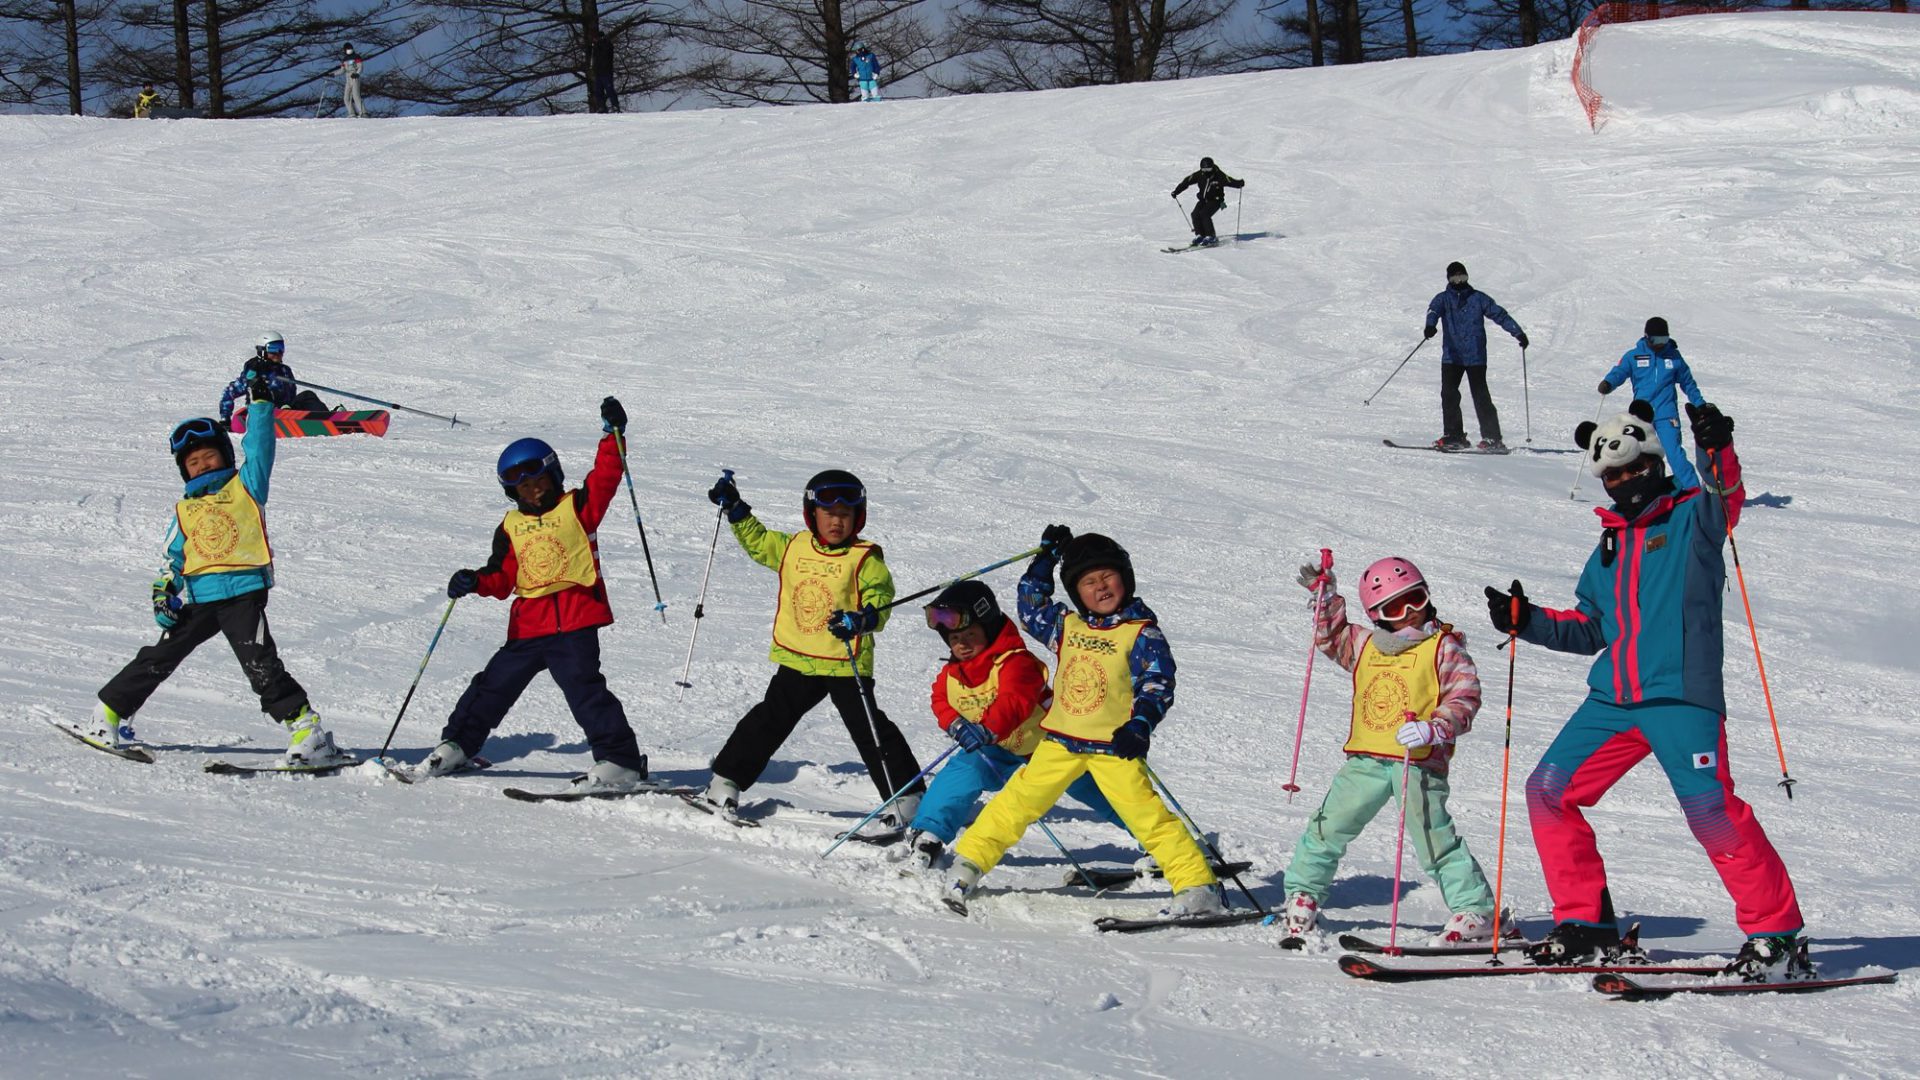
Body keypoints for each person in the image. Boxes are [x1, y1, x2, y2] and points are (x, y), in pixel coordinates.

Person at [1487, 399, 1810, 981]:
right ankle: (1585, 924)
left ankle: (1777, 937)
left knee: (1713, 812)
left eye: (1633, 469)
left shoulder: (1694, 519)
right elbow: (1591, 629)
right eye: (1612, 474)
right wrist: (1525, 619)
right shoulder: (1608, 546)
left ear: (1655, 464)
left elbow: (1725, 489)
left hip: (1681, 697)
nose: (1622, 481)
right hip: (1613, 700)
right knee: (1548, 791)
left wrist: (1716, 446)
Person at [944, 529, 1223, 917]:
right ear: (1077, 593)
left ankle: (1196, 884)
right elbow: (1030, 607)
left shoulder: (1140, 632)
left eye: (1108, 576)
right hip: (1059, 743)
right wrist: (1044, 563)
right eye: (1089, 582)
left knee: (1147, 817)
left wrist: (1140, 723)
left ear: (1125, 578)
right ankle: (969, 863)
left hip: (1113, 747)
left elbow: (1157, 683)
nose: (1101, 586)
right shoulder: (1068, 626)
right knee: (1015, 804)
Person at [85, 383, 341, 765]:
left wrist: (259, 404)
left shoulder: (246, 487)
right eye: (194, 462)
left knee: (259, 664)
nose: (203, 465)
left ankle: (307, 729)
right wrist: (164, 594)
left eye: (209, 457)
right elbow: (172, 559)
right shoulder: (184, 509)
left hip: (242, 594)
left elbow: (259, 448)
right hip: (201, 596)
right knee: (160, 655)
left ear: (224, 456)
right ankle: (108, 713)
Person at [422, 399, 649, 788]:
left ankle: (620, 761)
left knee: (585, 691)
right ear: (513, 493)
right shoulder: (510, 526)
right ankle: (459, 743)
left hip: (575, 622)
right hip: (529, 627)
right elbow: (502, 578)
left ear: (554, 473)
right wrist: (474, 580)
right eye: (523, 487)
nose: (535, 491)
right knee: (492, 686)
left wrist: (612, 436)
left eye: (539, 480)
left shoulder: (579, 507)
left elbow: (606, 477)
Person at [1277, 556, 1497, 947]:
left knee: (1433, 838)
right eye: (1396, 607)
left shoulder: (1444, 648)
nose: (1411, 613)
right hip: (1365, 759)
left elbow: (1466, 695)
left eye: (1417, 599)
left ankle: (1475, 909)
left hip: (1419, 763)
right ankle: (1303, 893)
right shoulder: (1364, 644)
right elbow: (1330, 638)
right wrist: (1324, 597)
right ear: (1378, 614)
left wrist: (1436, 726)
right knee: (1328, 826)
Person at [700, 469, 925, 822]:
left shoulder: (865, 558)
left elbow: (880, 597)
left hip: (843, 661)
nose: (837, 522)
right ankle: (726, 780)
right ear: (812, 514)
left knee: (869, 729)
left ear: (857, 518)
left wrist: (863, 618)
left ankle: (907, 798)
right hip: (800, 659)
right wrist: (737, 510)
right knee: (769, 719)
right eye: (829, 514)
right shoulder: (793, 547)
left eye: (845, 516)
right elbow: (759, 543)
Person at [893, 579, 1131, 871]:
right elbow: (941, 699)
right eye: (954, 639)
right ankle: (929, 832)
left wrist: (986, 728)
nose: (962, 644)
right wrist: (956, 725)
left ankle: (1163, 843)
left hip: (1053, 744)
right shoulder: (954, 672)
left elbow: (1013, 702)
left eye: (970, 634)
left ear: (989, 629)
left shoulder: (1016, 663)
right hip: (999, 746)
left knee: (1100, 790)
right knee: (961, 772)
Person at [1423, 261, 1528, 451]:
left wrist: (1518, 332)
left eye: (1463, 277)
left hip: (1475, 356)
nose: (1459, 281)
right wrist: (1430, 325)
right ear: (1449, 279)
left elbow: (1500, 315)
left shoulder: (1478, 298)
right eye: (1455, 278)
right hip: (1452, 356)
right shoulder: (1443, 299)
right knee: (1449, 395)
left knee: (1480, 396)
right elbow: (1433, 311)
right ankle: (1454, 435)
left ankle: (1492, 438)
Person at [1599, 317, 1707, 489]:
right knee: (1637, 454)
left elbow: (1688, 383)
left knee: (1674, 453)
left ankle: (1692, 490)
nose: (1660, 345)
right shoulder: (1634, 356)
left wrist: (1699, 403)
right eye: (1656, 340)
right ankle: (1635, 490)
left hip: (1667, 414)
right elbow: (1620, 372)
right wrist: (1608, 383)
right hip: (1642, 414)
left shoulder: (1674, 357)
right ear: (1647, 337)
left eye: (1664, 340)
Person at [218, 333, 330, 426]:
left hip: (288, 410)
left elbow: (291, 395)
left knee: (307, 395)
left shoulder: (285, 370)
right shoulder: (254, 371)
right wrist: (225, 418)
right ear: (262, 351)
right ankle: (286, 413)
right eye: (273, 349)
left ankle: (330, 418)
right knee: (266, 394)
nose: (278, 353)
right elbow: (229, 392)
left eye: (281, 348)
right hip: (264, 413)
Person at [1170, 158, 1244, 246]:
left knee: (1204, 214)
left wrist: (1239, 183)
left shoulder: (1219, 175)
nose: (1206, 171)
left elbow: (1229, 181)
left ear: (1212, 167)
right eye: (1204, 169)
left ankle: (1211, 236)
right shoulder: (1200, 174)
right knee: (1195, 214)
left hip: (1216, 200)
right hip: (1203, 200)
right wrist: (1177, 191)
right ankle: (1200, 235)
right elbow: (1187, 181)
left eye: (1208, 169)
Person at [589, 29, 620, 113]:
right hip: (599, 72)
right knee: (598, 91)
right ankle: (602, 107)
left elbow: (606, 54)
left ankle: (615, 106)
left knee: (609, 89)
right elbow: (595, 60)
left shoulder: (606, 44)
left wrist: (598, 44)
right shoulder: (595, 47)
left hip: (606, 71)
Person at [340, 44, 368, 118]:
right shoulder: (345, 59)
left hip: (355, 77)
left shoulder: (356, 57)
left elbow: (360, 67)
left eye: (350, 48)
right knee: (346, 98)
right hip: (348, 79)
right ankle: (351, 113)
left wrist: (357, 74)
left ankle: (363, 112)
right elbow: (342, 70)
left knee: (356, 96)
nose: (349, 50)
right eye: (347, 49)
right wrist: (333, 74)